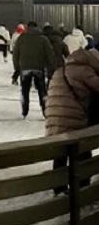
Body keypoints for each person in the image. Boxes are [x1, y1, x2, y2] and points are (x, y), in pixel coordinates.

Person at [46, 48, 99, 194]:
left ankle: (59, 189)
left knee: (60, 155)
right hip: (74, 119)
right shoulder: (84, 71)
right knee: (83, 154)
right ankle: (82, 190)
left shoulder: (60, 71)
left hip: (54, 118)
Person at [13, 24, 56, 118]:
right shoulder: (43, 38)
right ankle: (45, 110)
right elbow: (50, 54)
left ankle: (25, 109)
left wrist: (17, 67)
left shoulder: (21, 38)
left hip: (25, 68)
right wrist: (51, 67)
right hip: (39, 68)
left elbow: (15, 53)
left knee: (25, 89)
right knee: (42, 90)